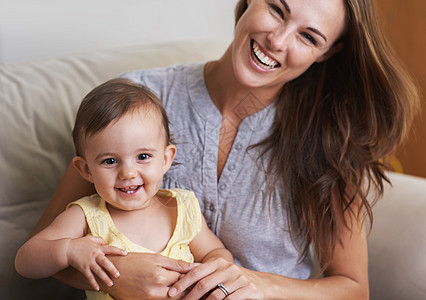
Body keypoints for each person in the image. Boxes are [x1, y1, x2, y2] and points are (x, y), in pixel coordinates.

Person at [31, 0, 420, 299]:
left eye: (308, 36)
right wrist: (118, 277)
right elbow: (47, 249)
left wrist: (259, 284)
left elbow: (353, 287)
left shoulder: (332, 136)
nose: (278, 40)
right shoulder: (137, 102)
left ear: (328, 52)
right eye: (276, 9)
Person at [15, 79, 233, 300]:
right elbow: (25, 261)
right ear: (86, 169)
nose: (128, 173)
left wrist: (216, 266)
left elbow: (214, 252)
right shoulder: (86, 215)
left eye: (143, 157)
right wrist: (69, 250)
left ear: (166, 159)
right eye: (110, 161)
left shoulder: (183, 207)